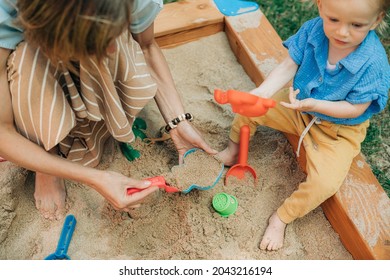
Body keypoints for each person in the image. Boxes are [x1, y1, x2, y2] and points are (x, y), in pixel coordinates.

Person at [0, 0, 217, 220]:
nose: (112, 49)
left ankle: (96, 121)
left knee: (118, 45)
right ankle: (47, 160)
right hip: (35, 55)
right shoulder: (6, 11)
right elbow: (2, 131)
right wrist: (94, 178)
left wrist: (178, 123)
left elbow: (146, 46)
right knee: (25, 60)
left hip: (72, 57)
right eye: (95, 41)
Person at [217, 0, 389, 251]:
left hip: (338, 131)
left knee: (326, 183)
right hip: (297, 106)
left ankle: (281, 218)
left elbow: (355, 108)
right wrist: (262, 93)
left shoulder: (373, 64)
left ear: (376, 20)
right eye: (334, 20)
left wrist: (315, 105)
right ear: (320, 7)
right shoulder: (314, 30)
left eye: (356, 25)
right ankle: (234, 152)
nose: (342, 32)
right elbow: (290, 64)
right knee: (249, 110)